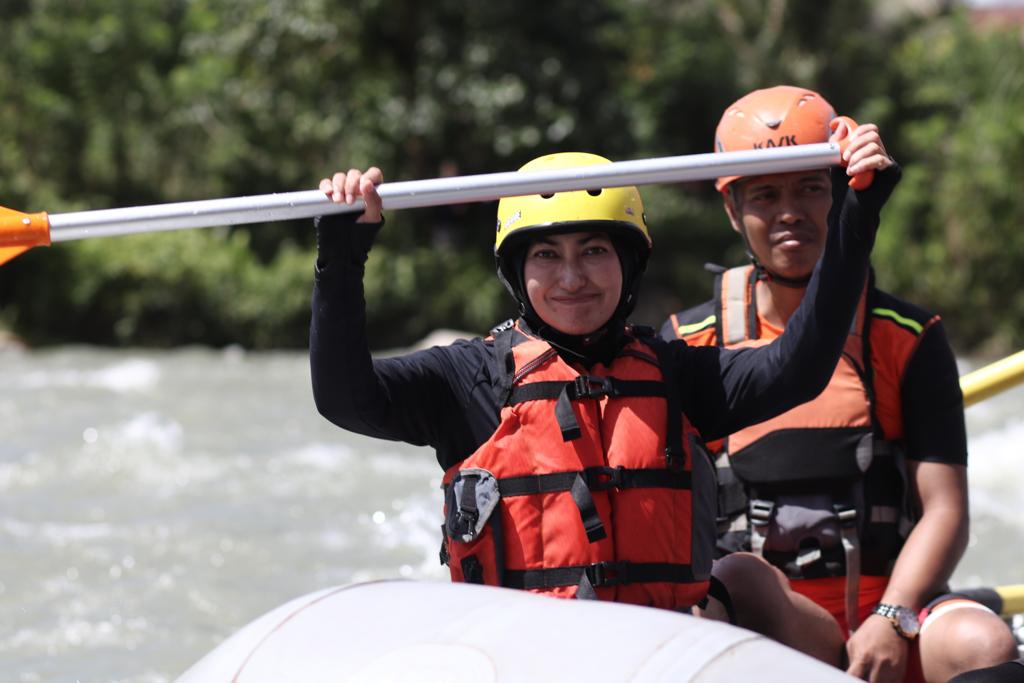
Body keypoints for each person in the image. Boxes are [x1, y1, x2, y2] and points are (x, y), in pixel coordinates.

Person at [309, 146, 897, 664]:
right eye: (546, 255)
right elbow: (345, 397)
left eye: (593, 250)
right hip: (522, 658)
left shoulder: (676, 373)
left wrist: (854, 212)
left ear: (629, 262)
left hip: (657, 651)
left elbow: (798, 367)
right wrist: (342, 258)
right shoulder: (471, 378)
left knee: (745, 581)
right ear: (517, 270)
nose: (572, 278)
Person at [662, 85, 1019, 682]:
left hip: (894, 611)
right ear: (732, 209)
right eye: (765, 194)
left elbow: (945, 509)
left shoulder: (907, 336)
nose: (790, 212)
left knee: (984, 643)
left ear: (840, 191)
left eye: (810, 188)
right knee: (740, 577)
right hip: (768, 624)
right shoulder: (686, 341)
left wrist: (891, 617)